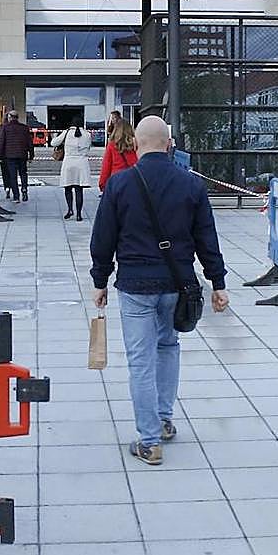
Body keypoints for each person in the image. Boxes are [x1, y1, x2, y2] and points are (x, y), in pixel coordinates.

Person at [90, 116, 229, 466]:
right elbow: (206, 239)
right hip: (177, 285)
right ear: (169, 145)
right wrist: (218, 283)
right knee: (169, 347)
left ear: (136, 145)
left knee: (141, 361)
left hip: (135, 285)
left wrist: (100, 280)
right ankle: (165, 420)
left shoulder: (120, 185)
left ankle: (149, 441)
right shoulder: (191, 184)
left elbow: (103, 239)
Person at [50, 122, 92, 221]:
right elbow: (89, 147)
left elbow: (53, 143)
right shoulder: (87, 134)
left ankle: (70, 209)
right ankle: (79, 214)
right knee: (79, 189)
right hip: (82, 163)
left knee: (68, 188)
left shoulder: (67, 132)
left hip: (69, 163)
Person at [0, 110, 34, 202]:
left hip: (10, 156)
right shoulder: (24, 128)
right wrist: (31, 155)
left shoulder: (5, 128)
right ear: (17, 117)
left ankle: (16, 196)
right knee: (23, 174)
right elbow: (30, 143)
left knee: (13, 176)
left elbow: (1, 143)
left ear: (9, 117)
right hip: (22, 155)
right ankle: (24, 190)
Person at [98, 117, 138, 191]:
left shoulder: (112, 145)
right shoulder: (135, 144)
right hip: (133, 180)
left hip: (116, 180)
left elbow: (106, 165)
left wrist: (102, 184)